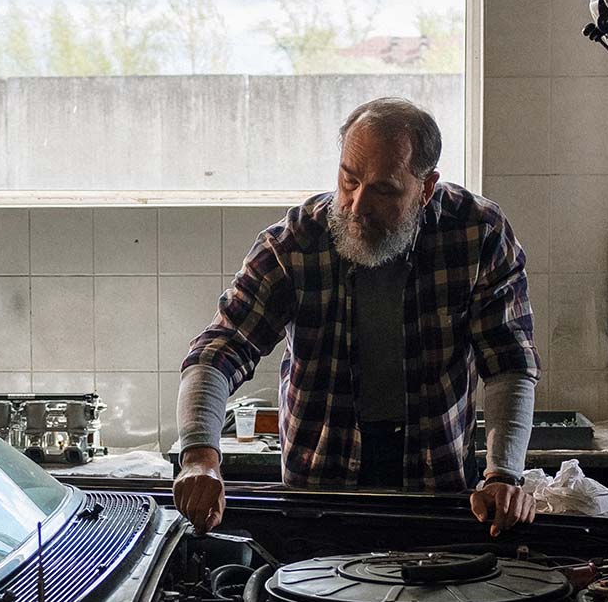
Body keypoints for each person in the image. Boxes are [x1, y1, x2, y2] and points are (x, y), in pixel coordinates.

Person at [174, 98, 539, 538]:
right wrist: (199, 456)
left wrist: (502, 475)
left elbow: (509, 361)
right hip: (320, 494)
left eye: (384, 190)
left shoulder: (478, 233)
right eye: (349, 180)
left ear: (426, 188)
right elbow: (219, 350)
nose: (356, 205)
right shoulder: (295, 245)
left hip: (435, 485)